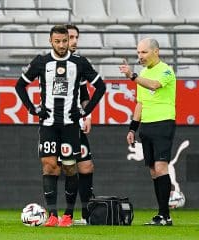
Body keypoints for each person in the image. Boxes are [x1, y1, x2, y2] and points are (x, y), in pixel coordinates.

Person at [15, 25, 106, 227]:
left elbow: (101, 86)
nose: (62, 45)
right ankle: (53, 214)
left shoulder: (79, 62)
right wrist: (32, 109)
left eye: (65, 41)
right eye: (58, 41)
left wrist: (85, 111)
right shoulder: (41, 62)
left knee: (70, 168)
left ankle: (68, 215)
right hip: (47, 124)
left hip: (70, 125)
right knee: (49, 166)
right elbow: (20, 85)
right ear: (51, 41)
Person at [119, 38, 176, 226]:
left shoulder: (166, 70)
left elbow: (154, 85)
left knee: (161, 167)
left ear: (156, 51)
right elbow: (140, 103)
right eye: (138, 53)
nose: (140, 56)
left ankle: (165, 215)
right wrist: (132, 128)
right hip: (147, 126)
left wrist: (132, 76)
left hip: (163, 123)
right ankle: (161, 215)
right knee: (153, 171)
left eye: (143, 52)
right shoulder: (143, 73)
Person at [60, 24, 96, 225]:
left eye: (75, 37)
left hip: (75, 122)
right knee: (57, 168)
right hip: (56, 123)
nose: (73, 41)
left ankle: (85, 214)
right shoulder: (53, 62)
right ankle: (63, 214)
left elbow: (84, 93)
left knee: (86, 166)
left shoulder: (80, 63)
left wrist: (87, 115)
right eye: (69, 37)